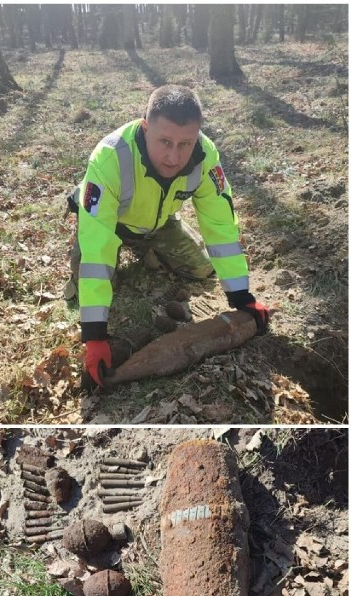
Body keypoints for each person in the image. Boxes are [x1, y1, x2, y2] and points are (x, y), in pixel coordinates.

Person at [67, 84, 269, 386]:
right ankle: (110, 257)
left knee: (202, 269)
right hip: (110, 224)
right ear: (145, 128)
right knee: (92, 270)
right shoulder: (110, 158)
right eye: (164, 141)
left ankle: (148, 249)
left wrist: (241, 295)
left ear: (198, 135)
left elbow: (221, 226)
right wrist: (94, 334)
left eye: (185, 144)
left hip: (159, 224)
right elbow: (98, 249)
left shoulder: (205, 157)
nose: (174, 157)